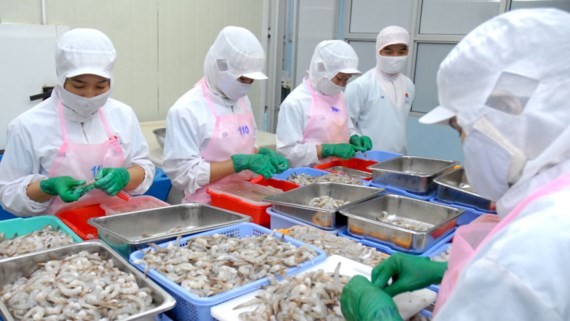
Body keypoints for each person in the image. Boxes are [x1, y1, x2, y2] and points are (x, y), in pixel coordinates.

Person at [341, 8, 570, 321]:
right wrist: (445, 270)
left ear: (503, 121)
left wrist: (378, 316)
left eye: (460, 129)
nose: (464, 145)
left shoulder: (522, 259)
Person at [0, 28, 155, 217]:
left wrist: (125, 177)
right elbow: (8, 193)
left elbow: (143, 167)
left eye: (100, 86)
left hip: (116, 222)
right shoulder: (27, 126)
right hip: (59, 232)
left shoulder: (123, 114)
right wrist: (47, 187)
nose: (89, 95)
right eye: (79, 86)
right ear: (62, 78)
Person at [163, 26, 288, 203]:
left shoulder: (242, 101)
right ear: (220, 67)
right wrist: (238, 164)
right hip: (207, 208)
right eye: (242, 79)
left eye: (251, 80)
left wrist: (259, 152)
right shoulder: (186, 109)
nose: (246, 86)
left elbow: (240, 145)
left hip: (244, 200)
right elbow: (183, 175)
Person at [276, 40, 372, 168]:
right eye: (339, 78)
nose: (342, 85)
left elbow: (346, 128)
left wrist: (354, 137)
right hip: (307, 176)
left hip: (338, 171)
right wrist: (326, 150)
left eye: (346, 79)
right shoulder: (295, 103)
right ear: (321, 70)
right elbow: (287, 153)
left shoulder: (340, 96)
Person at [344, 26, 415, 155]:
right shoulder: (361, 85)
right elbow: (345, 125)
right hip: (366, 160)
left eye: (401, 52)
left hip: (398, 160)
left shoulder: (409, 84)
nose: (395, 57)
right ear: (378, 51)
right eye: (388, 52)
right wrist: (356, 138)